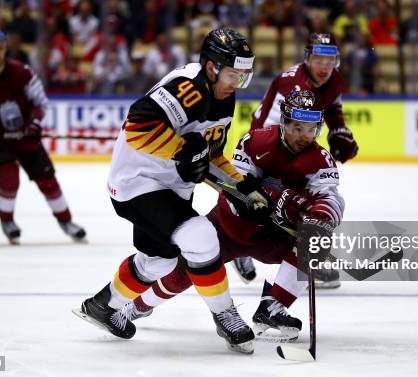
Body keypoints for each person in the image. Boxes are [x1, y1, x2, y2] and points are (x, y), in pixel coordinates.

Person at [75, 28, 266, 354]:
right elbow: (138, 128)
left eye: (243, 76)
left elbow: (210, 155)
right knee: (201, 238)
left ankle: (101, 305)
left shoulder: (224, 95)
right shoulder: (187, 87)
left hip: (170, 187)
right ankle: (225, 315)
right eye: (233, 74)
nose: (236, 83)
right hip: (139, 182)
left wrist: (242, 188)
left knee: (158, 263)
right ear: (211, 68)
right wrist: (181, 150)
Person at [109, 89, 344, 342]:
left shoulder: (321, 159)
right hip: (231, 228)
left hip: (273, 237)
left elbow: (330, 197)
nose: (305, 136)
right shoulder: (256, 141)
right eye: (298, 127)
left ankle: (272, 307)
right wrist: (277, 199)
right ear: (284, 122)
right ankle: (136, 307)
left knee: (317, 241)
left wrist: (322, 215)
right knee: (182, 273)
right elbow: (236, 191)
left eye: (311, 129)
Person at [239, 32, 357, 288]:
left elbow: (333, 108)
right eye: (318, 59)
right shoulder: (295, 86)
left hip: (294, 142)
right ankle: (245, 247)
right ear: (307, 58)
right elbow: (278, 130)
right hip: (268, 146)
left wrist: (339, 131)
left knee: (301, 201)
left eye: (330, 61)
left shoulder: (334, 79)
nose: (325, 67)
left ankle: (304, 258)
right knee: (268, 202)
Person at [0, 28, 86, 244]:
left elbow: (40, 103)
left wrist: (34, 124)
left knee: (47, 180)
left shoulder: (22, 73)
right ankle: (7, 223)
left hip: (25, 136)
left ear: (5, 48)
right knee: (9, 177)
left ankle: (67, 222)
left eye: (0, 48)